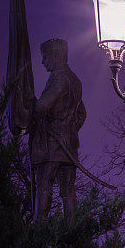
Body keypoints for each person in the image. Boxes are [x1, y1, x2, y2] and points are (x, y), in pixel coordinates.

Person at [30, 39, 86, 220]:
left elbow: (41, 107)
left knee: (44, 186)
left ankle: (40, 229)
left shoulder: (59, 78)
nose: (42, 62)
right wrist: (69, 129)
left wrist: (30, 103)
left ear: (55, 56)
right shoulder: (75, 80)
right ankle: (73, 231)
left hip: (52, 145)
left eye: (45, 57)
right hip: (69, 146)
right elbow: (82, 114)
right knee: (68, 190)